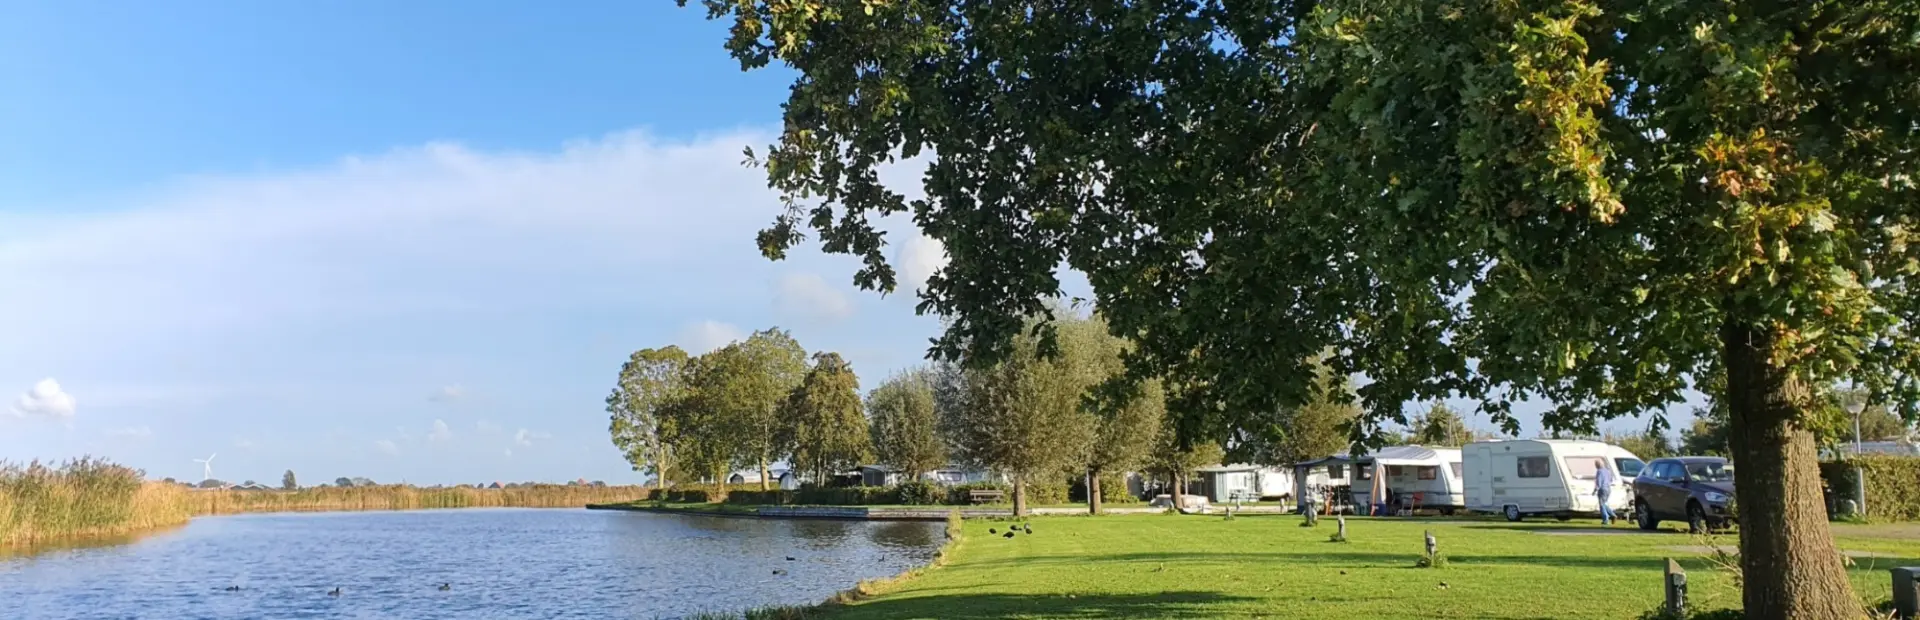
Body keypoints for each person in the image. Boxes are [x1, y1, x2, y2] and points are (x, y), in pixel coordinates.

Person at [1594, 459, 1618, 526]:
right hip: (1608, 489)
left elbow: (1599, 481)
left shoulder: (1599, 471)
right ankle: (1613, 515)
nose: (1595, 466)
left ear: (1597, 465)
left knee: (1601, 505)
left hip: (1602, 489)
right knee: (1603, 504)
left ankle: (1606, 520)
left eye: (1595, 464)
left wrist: (1595, 489)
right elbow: (1611, 480)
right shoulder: (1607, 471)